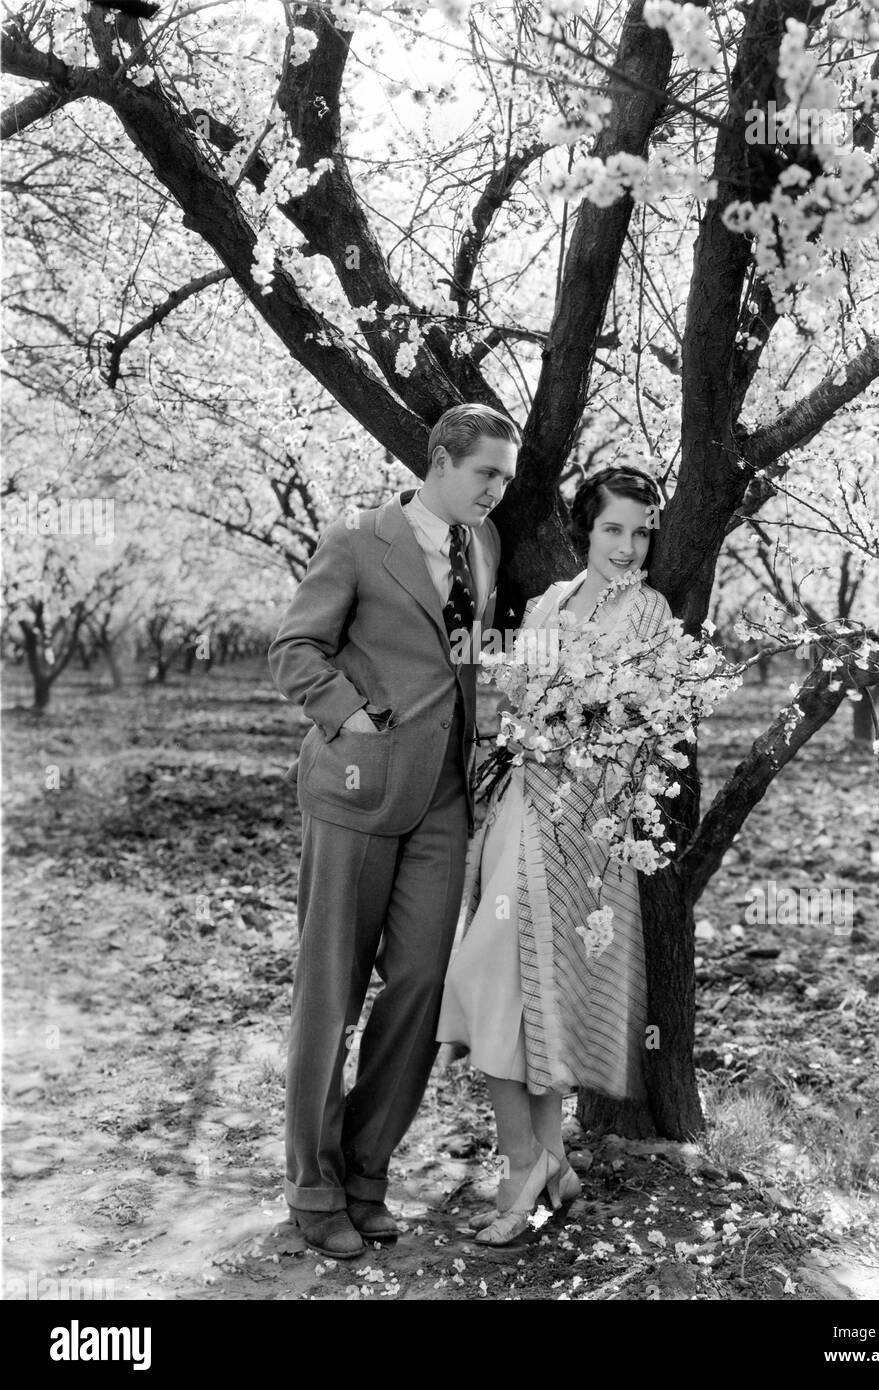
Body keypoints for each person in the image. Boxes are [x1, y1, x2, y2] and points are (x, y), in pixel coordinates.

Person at [269, 403, 520, 1258]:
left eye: (506, 478)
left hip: (445, 801)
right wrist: (358, 718)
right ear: (441, 461)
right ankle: (313, 1186)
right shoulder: (356, 540)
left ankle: (368, 1172)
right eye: (486, 472)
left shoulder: (483, 549)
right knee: (330, 993)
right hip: (355, 790)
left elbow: (471, 661)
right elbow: (294, 650)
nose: (497, 490)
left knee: (417, 987)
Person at [436, 465, 672, 1245]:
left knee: (506, 983)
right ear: (585, 530)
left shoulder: (649, 615)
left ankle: (522, 1168)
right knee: (502, 984)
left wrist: (573, 742)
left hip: (584, 824)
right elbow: (515, 700)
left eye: (642, 532)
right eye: (614, 529)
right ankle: (548, 1161)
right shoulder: (546, 603)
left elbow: (647, 732)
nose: (630, 547)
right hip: (516, 810)